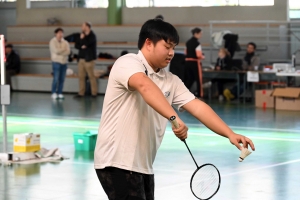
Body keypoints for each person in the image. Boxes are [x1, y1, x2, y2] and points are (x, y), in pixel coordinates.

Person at [94, 19, 255, 200]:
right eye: (167, 47)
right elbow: (145, 87)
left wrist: (230, 134)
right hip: (116, 161)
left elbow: (198, 107)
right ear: (148, 43)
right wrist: (174, 119)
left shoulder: (171, 80)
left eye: (174, 47)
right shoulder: (128, 62)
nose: (171, 53)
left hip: (143, 165)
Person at [74, 22, 98, 98]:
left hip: (89, 59)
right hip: (81, 58)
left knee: (91, 76)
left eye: (83, 26)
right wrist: (82, 45)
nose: (82, 27)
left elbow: (87, 43)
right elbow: (76, 45)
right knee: (81, 77)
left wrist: (82, 40)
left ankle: (94, 93)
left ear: (87, 27)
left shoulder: (92, 36)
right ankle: (81, 92)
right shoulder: (81, 34)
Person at [49, 28, 70, 99]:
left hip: (64, 63)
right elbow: (56, 51)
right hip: (56, 62)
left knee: (62, 79)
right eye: (59, 33)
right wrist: (63, 50)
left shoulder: (66, 42)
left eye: (62, 33)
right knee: (56, 78)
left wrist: (61, 51)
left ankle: (60, 92)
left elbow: (68, 52)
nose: (60, 34)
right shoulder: (52, 41)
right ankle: (53, 92)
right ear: (56, 33)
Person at [184, 27, 205, 98]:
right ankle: (200, 95)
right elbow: (198, 55)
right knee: (199, 79)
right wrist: (203, 56)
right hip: (195, 62)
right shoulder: (197, 43)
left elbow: (185, 52)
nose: (201, 35)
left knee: (190, 78)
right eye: (200, 34)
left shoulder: (188, 42)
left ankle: (183, 92)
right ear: (196, 34)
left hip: (187, 62)